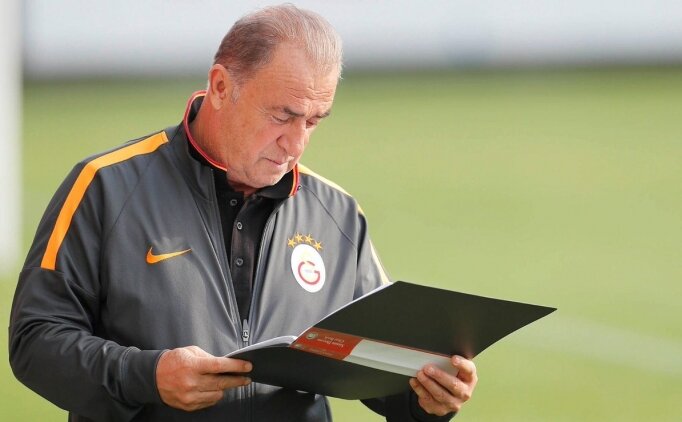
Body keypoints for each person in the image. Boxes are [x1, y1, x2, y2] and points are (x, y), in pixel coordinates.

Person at [10, 4, 477, 421]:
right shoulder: (105, 187)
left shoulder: (335, 213)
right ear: (220, 86)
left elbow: (381, 366)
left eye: (313, 121)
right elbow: (35, 341)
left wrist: (428, 397)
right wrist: (147, 376)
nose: (296, 143)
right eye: (282, 116)